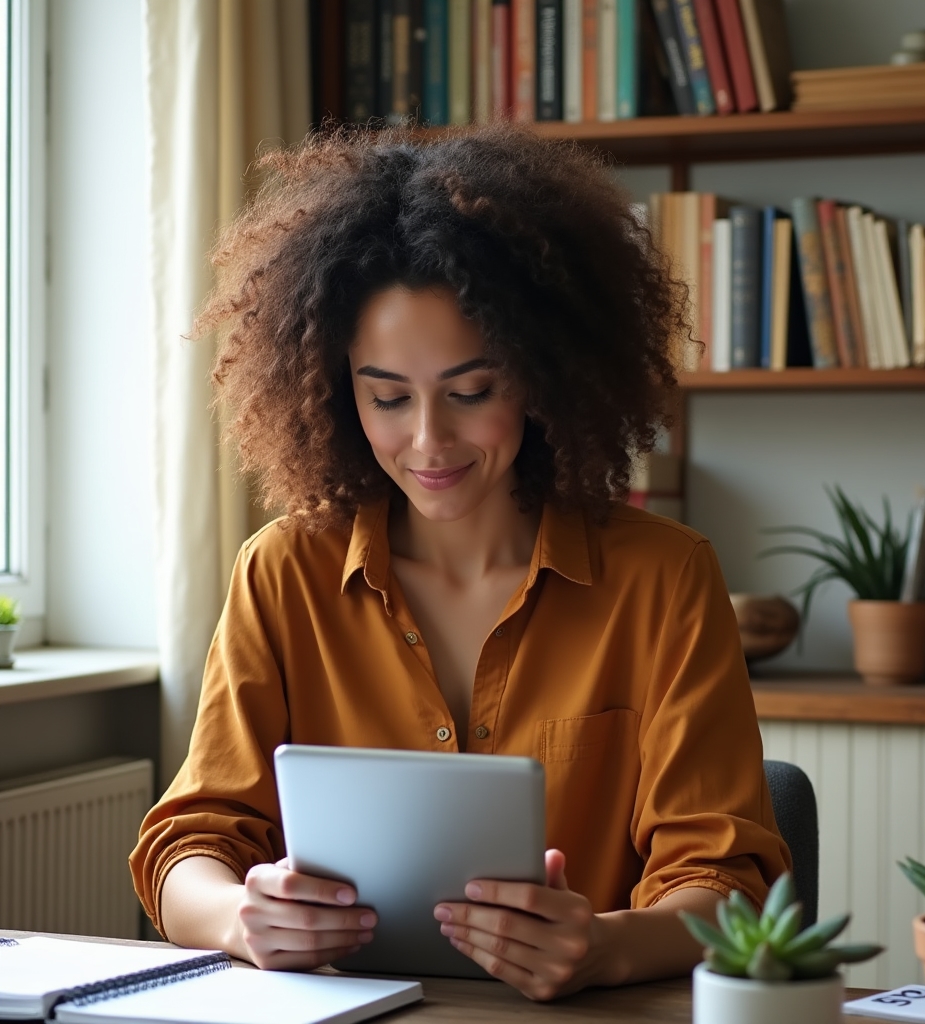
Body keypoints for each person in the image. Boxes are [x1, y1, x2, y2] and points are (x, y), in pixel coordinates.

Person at [129, 123, 790, 1002]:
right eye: (388, 397)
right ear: (338, 391)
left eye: (472, 392)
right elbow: (189, 845)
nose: (429, 441)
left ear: (544, 375)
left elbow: (727, 879)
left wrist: (606, 946)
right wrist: (237, 916)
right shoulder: (282, 574)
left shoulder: (664, 581)